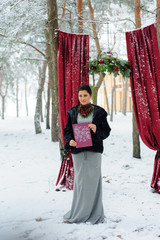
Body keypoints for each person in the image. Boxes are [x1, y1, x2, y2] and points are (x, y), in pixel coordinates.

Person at [63, 84, 111, 224]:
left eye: (85, 95)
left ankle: (95, 214)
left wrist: (96, 129)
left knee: (94, 182)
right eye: (80, 96)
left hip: (94, 151)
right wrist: (70, 140)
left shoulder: (99, 112)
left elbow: (106, 131)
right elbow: (67, 131)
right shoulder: (72, 112)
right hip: (78, 152)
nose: (82, 98)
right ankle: (78, 213)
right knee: (80, 182)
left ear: (90, 96)